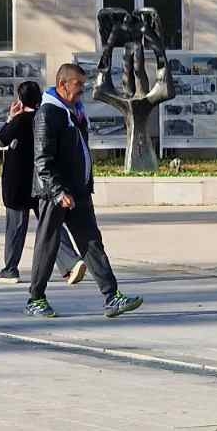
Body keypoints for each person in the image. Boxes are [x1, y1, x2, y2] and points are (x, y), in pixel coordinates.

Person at [27, 62, 143, 319]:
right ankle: (35, 299)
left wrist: (82, 185)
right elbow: (42, 159)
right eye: (78, 84)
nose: (82, 89)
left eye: (83, 84)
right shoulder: (48, 113)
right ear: (62, 84)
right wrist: (58, 192)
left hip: (78, 191)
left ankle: (112, 296)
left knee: (92, 243)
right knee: (47, 245)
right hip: (55, 193)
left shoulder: (75, 111)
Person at [0, 79, 84, 287]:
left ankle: (10, 269)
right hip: (41, 182)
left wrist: (10, 117)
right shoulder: (44, 119)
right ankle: (72, 261)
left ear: (20, 99)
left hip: (17, 184)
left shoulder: (20, 120)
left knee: (15, 228)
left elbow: (1, 140)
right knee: (50, 226)